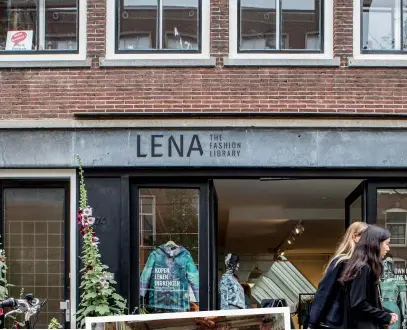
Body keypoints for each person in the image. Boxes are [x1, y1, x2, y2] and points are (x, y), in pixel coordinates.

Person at [308, 221, 368, 329]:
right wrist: (312, 323)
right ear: (355, 237)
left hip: (353, 322)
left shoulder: (364, 266)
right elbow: (324, 292)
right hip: (336, 322)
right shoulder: (341, 262)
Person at [339, 224, 398, 329]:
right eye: (387, 244)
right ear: (376, 244)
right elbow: (358, 305)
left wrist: (387, 314)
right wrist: (385, 316)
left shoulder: (361, 266)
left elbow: (367, 303)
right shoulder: (363, 268)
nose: (388, 248)